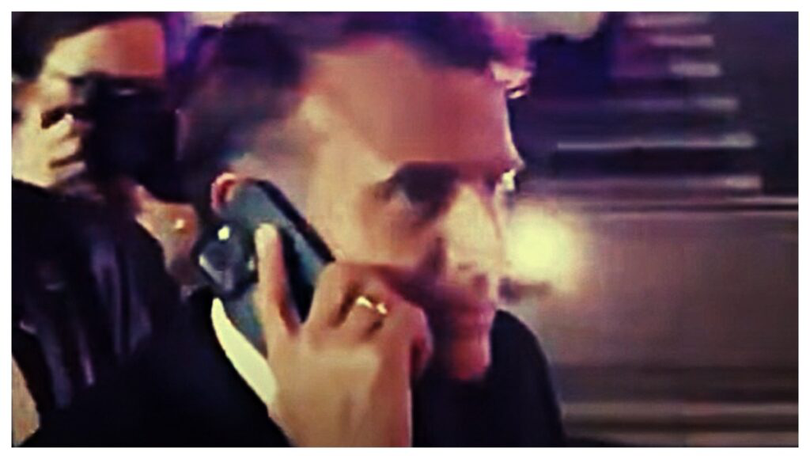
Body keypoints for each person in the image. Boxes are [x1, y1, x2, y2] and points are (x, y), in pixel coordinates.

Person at [25, 13, 565, 446]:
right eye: (417, 194)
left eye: (497, 186)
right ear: (253, 218)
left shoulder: (508, 366)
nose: (487, 251)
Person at [11, 13, 184, 443]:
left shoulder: (180, 207)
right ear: (20, 92)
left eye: (143, 96)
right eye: (93, 90)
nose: (119, 118)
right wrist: (26, 205)